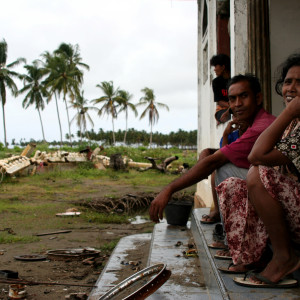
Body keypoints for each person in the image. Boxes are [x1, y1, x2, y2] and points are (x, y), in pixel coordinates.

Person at [216, 53, 300, 287]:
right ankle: (251, 255)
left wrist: (289, 111)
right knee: (233, 183)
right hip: (291, 209)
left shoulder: (295, 122)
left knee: (258, 173)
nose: (291, 88)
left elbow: (257, 156)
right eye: (288, 82)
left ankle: (285, 257)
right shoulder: (292, 124)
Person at [149, 74, 276, 224]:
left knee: (224, 169)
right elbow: (222, 152)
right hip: (270, 188)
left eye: (244, 96)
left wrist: (168, 190)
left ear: (258, 98)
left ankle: (231, 236)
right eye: (232, 99)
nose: (237, 104)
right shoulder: (255, 124)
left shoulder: (260, 127)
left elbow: (214, 161)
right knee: (218, 160)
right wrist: (209, 152)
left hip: (276, 192)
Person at [200, 115, 248, 225]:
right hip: (231, 167)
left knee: (220, 170)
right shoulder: (232, 135)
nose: (238, 119)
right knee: (216, 171)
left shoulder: (252, 133)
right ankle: (218, 210)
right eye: (235, 116)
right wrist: (226, 134)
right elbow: (223, 154)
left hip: (245, 168)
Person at [210, 54, 231, 124]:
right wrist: (232, 106)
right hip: (222, 110)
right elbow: (219, 101)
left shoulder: (233, 80)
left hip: (234, 108)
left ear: (223, 67)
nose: (214, 69)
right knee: (226, 116)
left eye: (216, 66)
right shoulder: (216, 82)